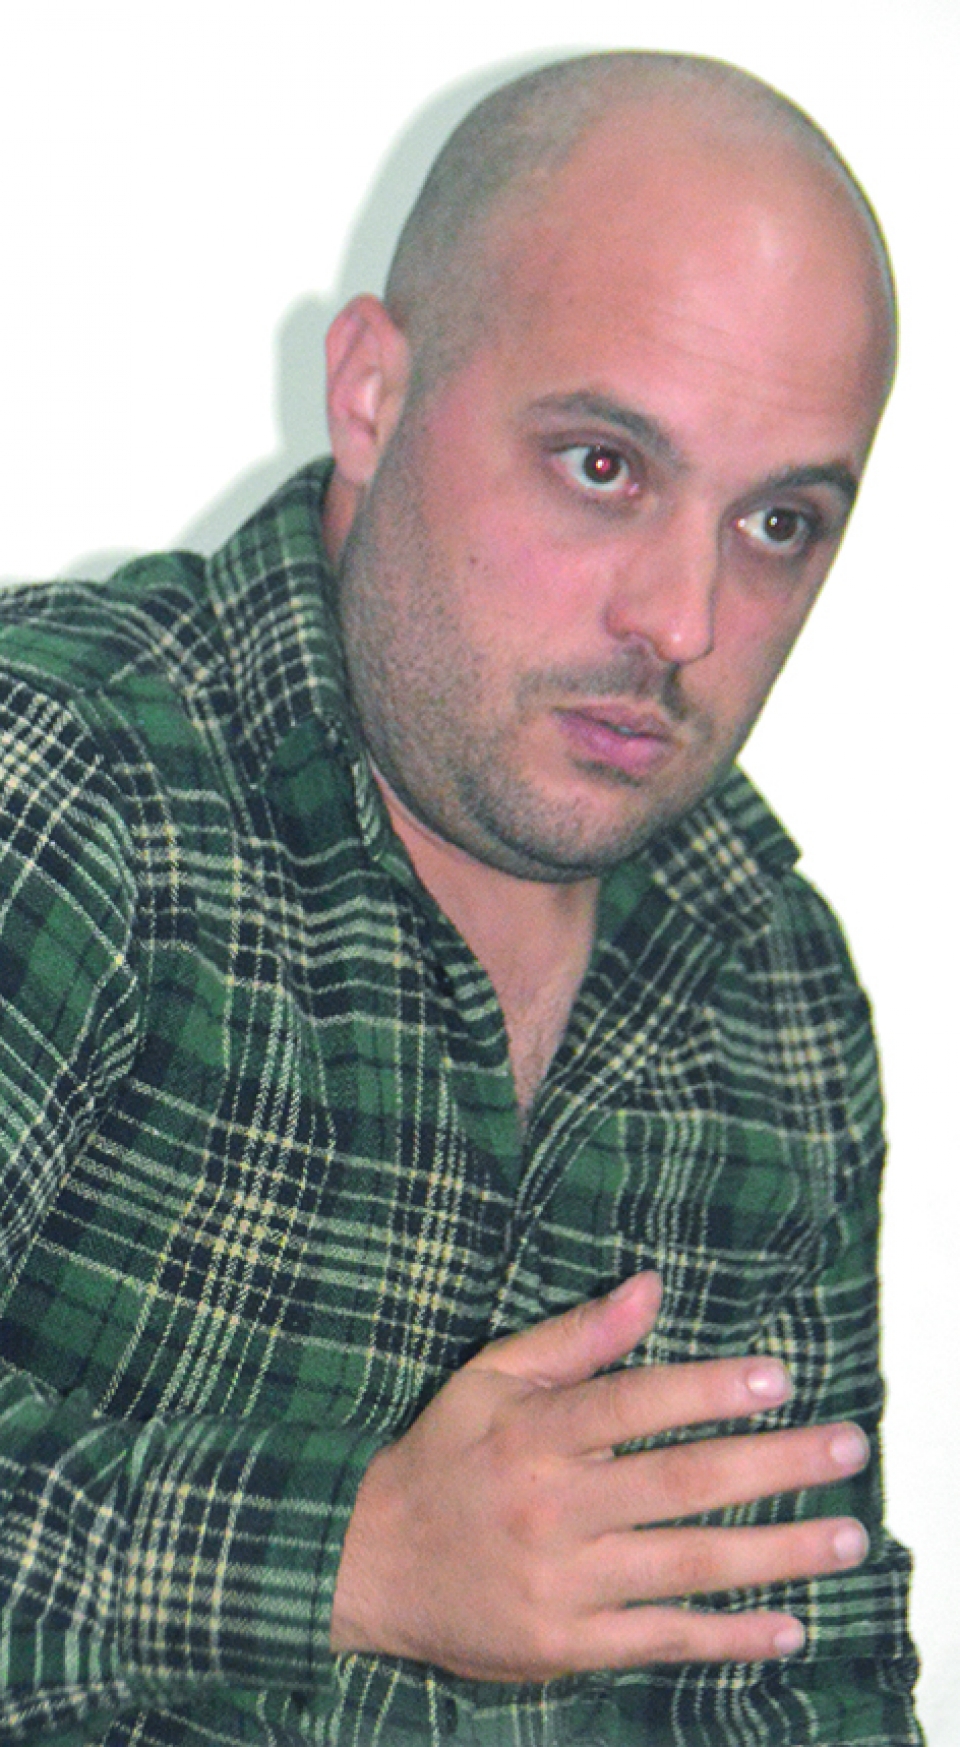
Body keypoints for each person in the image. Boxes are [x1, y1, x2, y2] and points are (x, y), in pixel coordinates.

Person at [0, 46, 921, 1747]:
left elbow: (806, 1670)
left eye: (780, 523)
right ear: (370, 392)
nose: (684, 619)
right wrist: (353, 1560)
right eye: (604, 467)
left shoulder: (772, 976)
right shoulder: (64, 781)